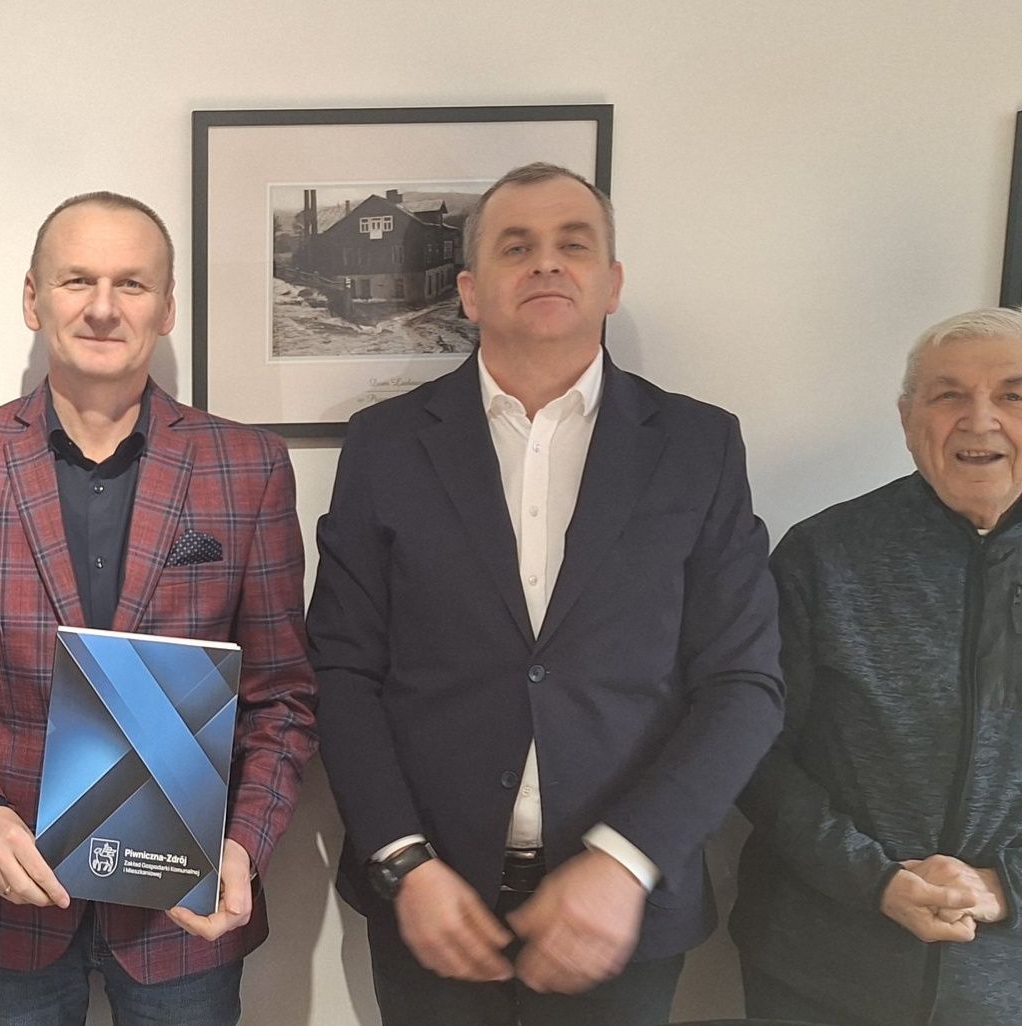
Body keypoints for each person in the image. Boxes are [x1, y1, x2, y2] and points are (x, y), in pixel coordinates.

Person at [308, 162, 784, 1024]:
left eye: (573, 244)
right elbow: (342, 672)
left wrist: (625, 860)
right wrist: (401, 860)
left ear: (611, 283)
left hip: (621, 912)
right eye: (515, 246)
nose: (546, 263)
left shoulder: (698, 446)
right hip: (432, 906)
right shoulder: (383, 446)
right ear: (468, 290)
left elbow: (742, 685)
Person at [0, 192, 318, 1025]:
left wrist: (243, 845)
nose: (102, 307)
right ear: (33, 298)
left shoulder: (247, 468)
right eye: (77, 280)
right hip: (8, 897)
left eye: (131, 284)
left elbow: (281, 695)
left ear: (166, 308)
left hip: (184, 910)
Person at [733, 307, 1022, 1026]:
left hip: (1004, 984)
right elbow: (751, 752)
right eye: (948, 395)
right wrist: (876, 881)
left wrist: (1006, 886)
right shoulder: (821, 557)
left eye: (1012, 395)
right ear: (907, 419)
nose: (979, 420)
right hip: (812, 971)